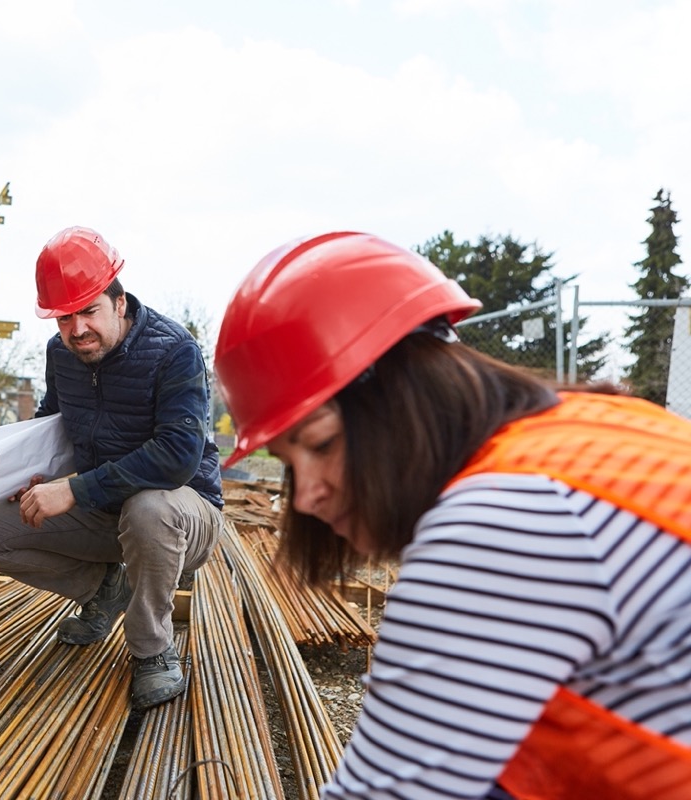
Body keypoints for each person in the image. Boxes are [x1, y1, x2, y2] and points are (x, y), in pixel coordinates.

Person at [213, 231, 691, 800]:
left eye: (319, 445)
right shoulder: (597, 427)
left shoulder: (504, 522)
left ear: (407, 396)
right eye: (287, 463)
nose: (304, 497)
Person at [0, 225, 224, 710]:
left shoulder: (175, 351)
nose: (77, 330)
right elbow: (52, 423)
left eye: (89, 311)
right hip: (102, 509)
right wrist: (30, 473)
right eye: (63, 319)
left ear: (119, 302)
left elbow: (179, 455)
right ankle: (105, 588)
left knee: (148, 510)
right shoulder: (62, 354)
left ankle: (152, 649)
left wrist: (73, 490)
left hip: (181, 512)